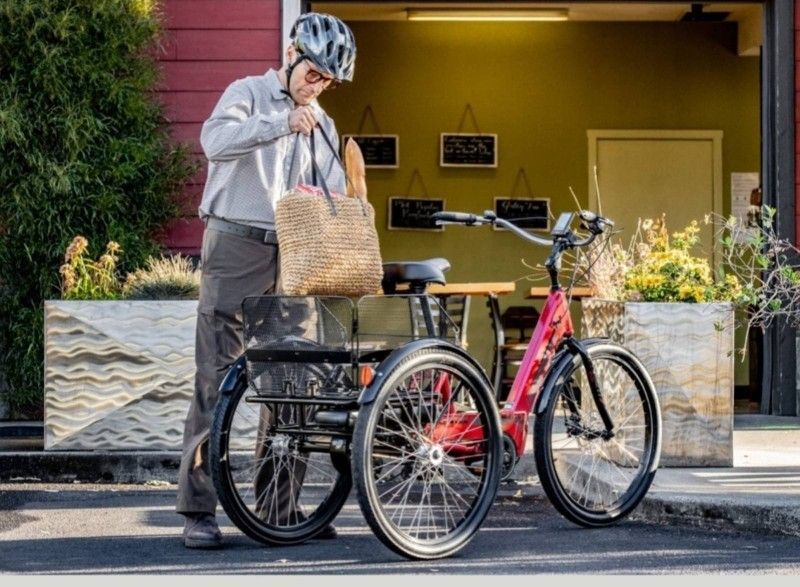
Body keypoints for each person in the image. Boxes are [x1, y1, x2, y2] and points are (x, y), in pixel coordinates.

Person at [176, 12, 356, 549]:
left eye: (327, 80)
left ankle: (280, 507)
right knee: (217, 378)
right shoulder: (248, 92)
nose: (316, 84)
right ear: (293, 55)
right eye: (313, 72)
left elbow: (334, 189)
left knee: (290, 383)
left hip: (295, 257)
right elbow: (215, 141)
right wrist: (280, 123)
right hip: (234, 245)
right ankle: (198, 511)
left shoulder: (323, 122)